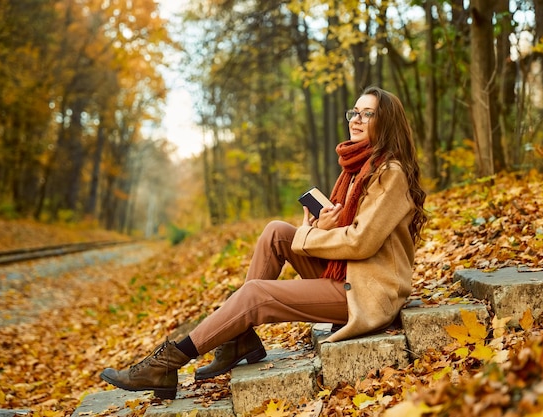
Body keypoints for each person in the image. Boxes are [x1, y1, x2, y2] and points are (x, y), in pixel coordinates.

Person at [100, 86, 428, 400]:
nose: (355, 119)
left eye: (367, 114)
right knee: (275, 231)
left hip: (368, 292)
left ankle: (166, 363)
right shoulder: (357, 170)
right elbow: (346, 232)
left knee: (256, 294)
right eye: (354, 112)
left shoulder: (390, 172)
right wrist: (316, 226)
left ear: (386, 123)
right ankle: (239, 338)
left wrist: (311, 235)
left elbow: (360, 243)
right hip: (350, 276)